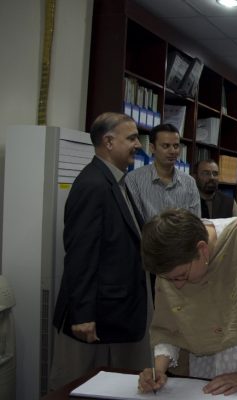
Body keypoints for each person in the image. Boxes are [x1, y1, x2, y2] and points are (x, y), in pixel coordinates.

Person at [136, 209, 237, 395]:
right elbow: (169, 325)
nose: (177, 286)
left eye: (182, 276)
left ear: (202, 250)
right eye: (170, 279)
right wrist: (158, 371)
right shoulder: (170, 261)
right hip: (202, 354)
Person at [50, 112, 151, 389]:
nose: (138, 145)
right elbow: (80, 254)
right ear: (108, 142)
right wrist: (83, 314)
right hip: (97, 317)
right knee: (81, 386)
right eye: (132, 138)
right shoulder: (92, 185)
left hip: (118, 311)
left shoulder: (116, 180)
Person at [126, 123, 200, 222]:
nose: (172, 151)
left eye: (176, 146)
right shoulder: (134, 179)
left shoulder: (189, 182)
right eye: (166, 146)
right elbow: (135, 222)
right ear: (152, 148)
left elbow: (195, 222)